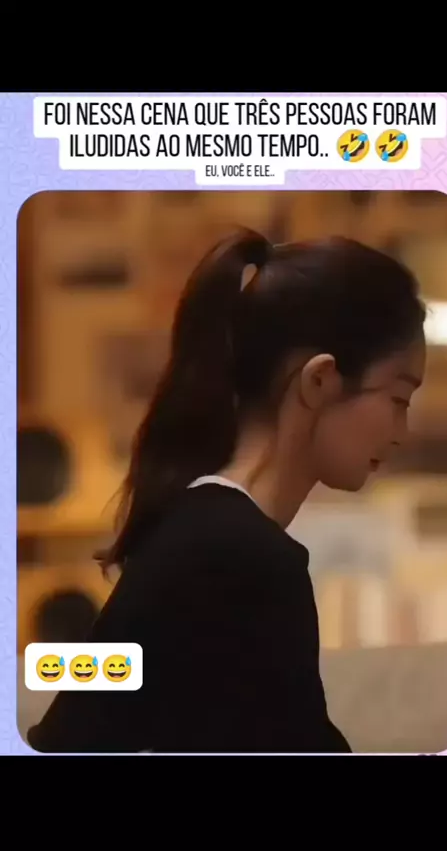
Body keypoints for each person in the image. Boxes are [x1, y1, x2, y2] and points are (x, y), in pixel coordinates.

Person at [27, 227, 426, 754]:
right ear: (320, 381)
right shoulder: (247, 558)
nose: (402, 431)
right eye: (398, 398)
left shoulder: (200, 526)